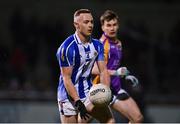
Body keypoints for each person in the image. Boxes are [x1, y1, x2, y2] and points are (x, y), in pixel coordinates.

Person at [56, 9, 115, 123]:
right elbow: (66, 78)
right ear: (76, 25)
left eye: (92, 22)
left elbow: (103, 71)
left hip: (88, 92)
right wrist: (77, 101)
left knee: (110, 121)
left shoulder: (97, 45)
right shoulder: (67, 48)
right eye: (86, 22)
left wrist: (106, 90)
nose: (90, 25)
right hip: (68, 96)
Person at [92, 10, 143, 123]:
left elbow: (113, 66)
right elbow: (94, 69)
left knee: (138, 118)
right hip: (103, 90)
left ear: (118, 25)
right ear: (102, 27)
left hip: (116, 88)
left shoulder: (118, 43)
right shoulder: (102, 46)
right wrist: (116, 73)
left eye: (114, 25)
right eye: (108, 25)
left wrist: (125, 75)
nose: (112, 28)